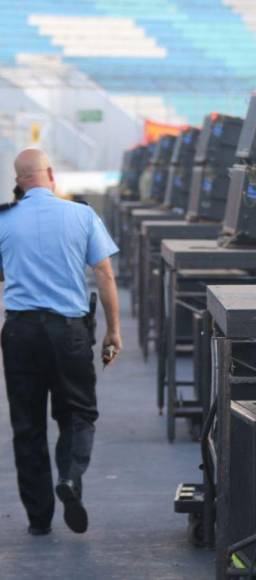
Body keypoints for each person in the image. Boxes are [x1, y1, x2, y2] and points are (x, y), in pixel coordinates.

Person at [0, 149, 122, 536]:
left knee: (27, 426)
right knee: (77, 414)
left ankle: (39, 520)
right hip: (68, 331)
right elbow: (104, 273)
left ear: (19, 181)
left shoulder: (3, 220)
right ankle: (70, 478)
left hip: (19, 333)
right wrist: (113, 330)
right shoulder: (81, 215)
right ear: (51, 174)